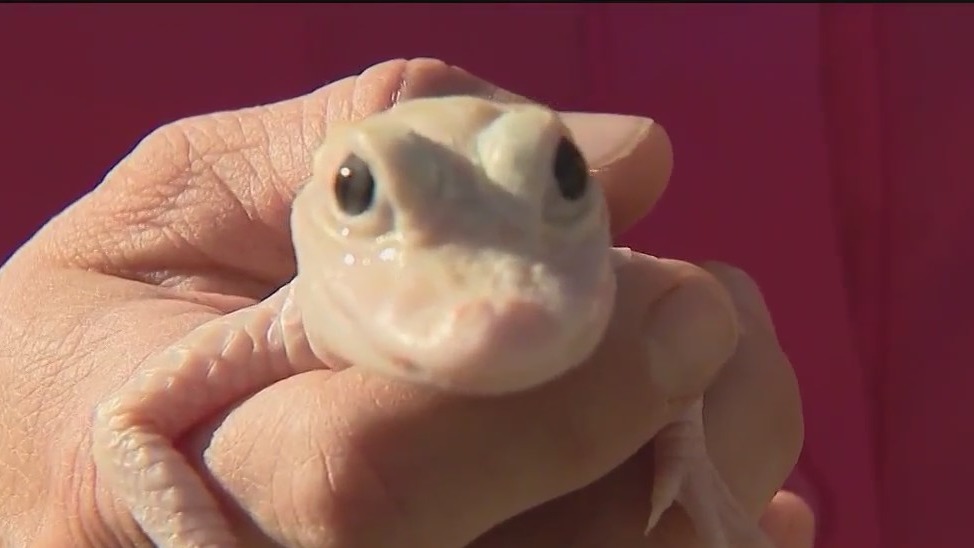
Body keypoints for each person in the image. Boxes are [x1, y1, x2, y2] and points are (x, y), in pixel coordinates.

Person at [0, 59, 811, 547]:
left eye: (566, 179)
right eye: (358, 192)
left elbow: (674, 329)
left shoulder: (623, 276)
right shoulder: (290, 322)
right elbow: (120, 425)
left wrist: (687, 459)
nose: (488, 297)